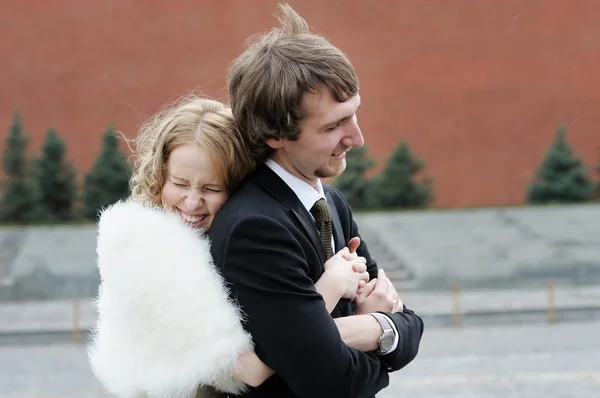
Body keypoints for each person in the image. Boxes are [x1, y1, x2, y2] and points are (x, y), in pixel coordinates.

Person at [87, 95, 372, 398]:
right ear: (159, 175)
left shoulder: (227, 242)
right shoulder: (147, 250)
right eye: (180, 183)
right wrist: (349, 306)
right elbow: (251, 369)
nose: (193, 202)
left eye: (211, 188)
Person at [208, 4, 424, 398]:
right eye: (333, 125)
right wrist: (376, 328)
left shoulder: (332, 203)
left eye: (354, 114)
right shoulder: (254, 228)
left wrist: (373, 328)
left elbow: (413, 325)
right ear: (274, 135)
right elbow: (329, 379)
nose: (357, 138)